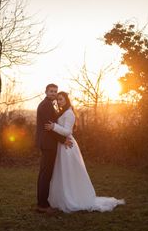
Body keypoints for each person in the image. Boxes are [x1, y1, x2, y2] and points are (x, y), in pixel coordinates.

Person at [45, 91, 125, 213]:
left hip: (68, 147)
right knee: (62, 172)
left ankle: (73, 198)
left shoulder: (69, 113)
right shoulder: (62, 112)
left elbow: (67, 131)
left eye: (61, 99)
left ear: (66, 100)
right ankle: (63, 197)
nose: (59, 102)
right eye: (58, 100)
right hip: (62, 145)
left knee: (69, 172)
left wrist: (54, 127)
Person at [35, 84, 72, 214]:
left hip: (48, 143)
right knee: (46, 174)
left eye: (55, 92)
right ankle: (42, 205)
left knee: (45, 173)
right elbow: (49, 127)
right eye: (51, 91)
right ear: (46, 91)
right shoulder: (46, 106)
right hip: (48, 144)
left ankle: (42, 202)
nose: (53, 93)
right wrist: (63, 140)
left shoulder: (49, 104)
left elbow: (53, 126)